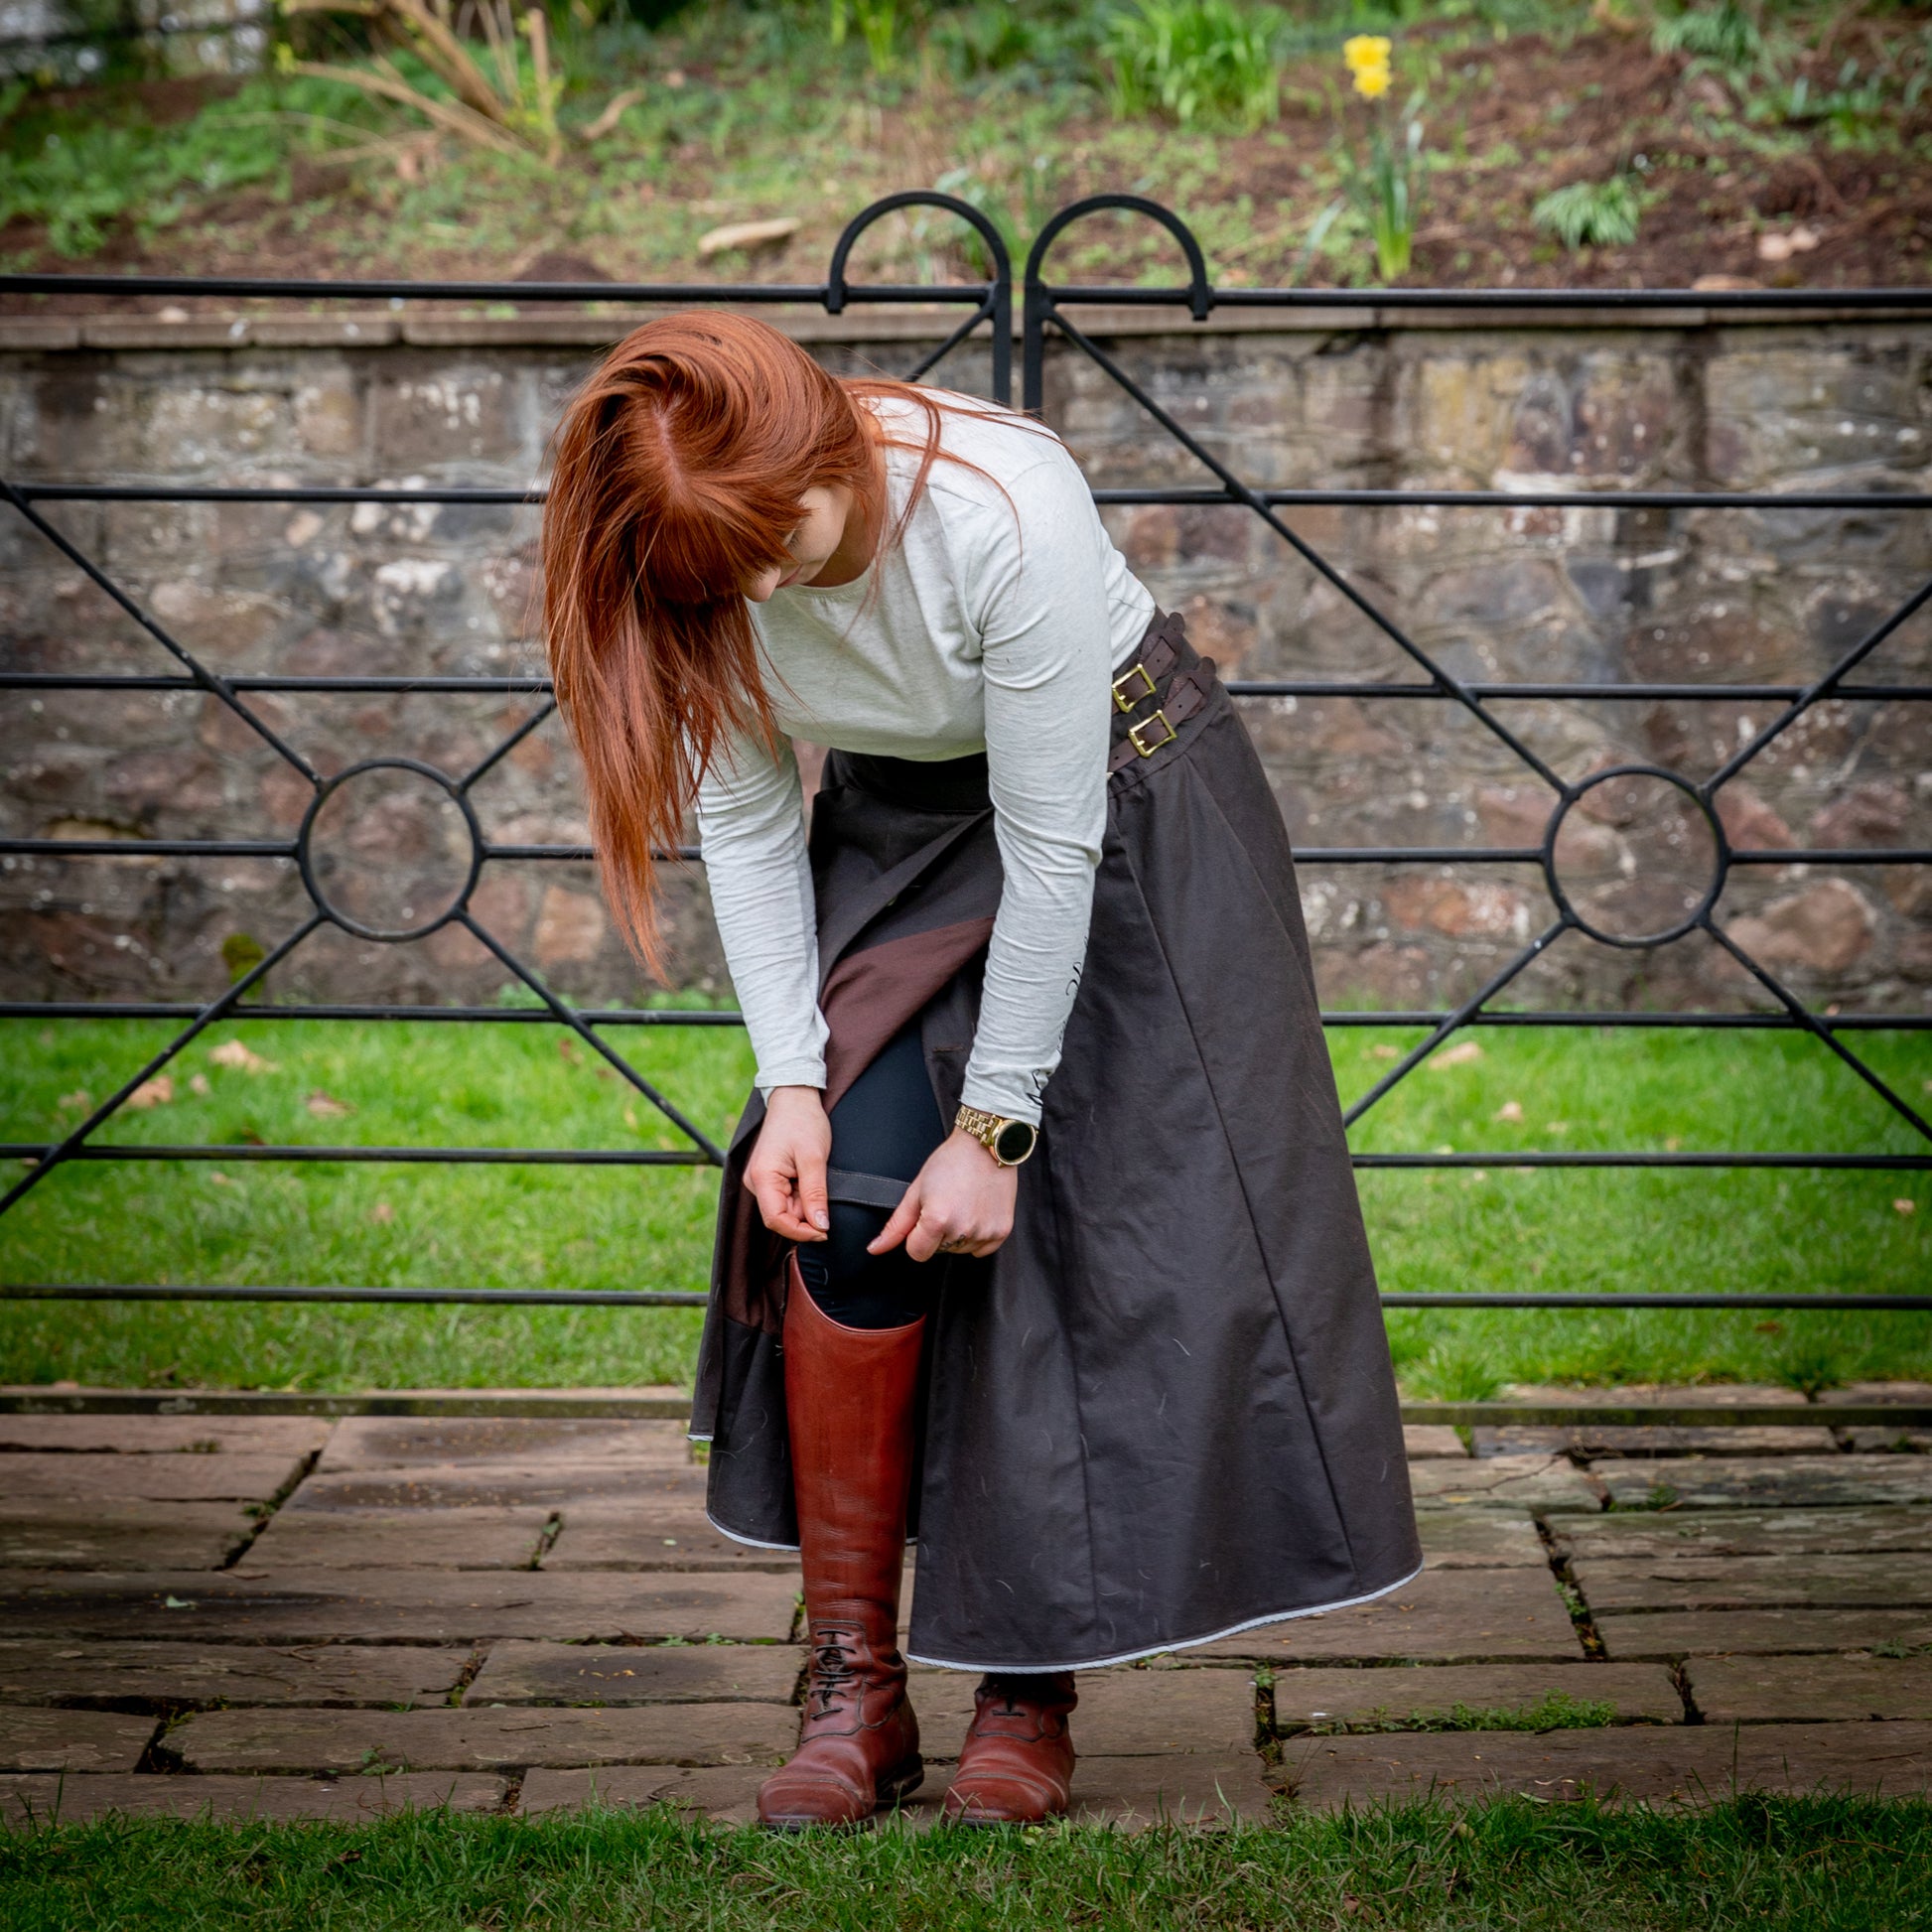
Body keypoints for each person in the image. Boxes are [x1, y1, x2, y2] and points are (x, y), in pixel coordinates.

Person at [542, 311, 1420, 1831]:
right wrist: (793, 1081)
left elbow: (1049, 842)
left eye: (779, 547)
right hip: (900, 830)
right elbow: (746, 817)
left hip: (1120, 819)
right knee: (851, 1203)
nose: (760, 593)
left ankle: (1027, 1681)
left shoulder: (1000, 505)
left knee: (1055, 1229)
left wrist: (998, 1127)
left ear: (829, 454)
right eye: (722, 578)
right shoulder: (696, 553)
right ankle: (855, 1688)